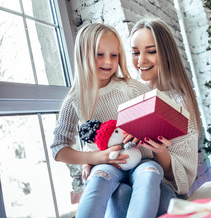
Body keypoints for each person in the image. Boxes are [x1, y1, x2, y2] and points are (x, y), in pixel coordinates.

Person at [50, 22, 166, 218]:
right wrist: (94, 158)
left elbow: (159, 122)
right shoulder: (74, 100)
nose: (109, 61)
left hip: (142, 162)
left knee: (150, 174)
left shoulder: (132, 88)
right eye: (99, 54)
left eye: (114, 55)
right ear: (83, 55)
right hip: (105, 165)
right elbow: (59, 150)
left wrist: (142, 133)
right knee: (97, 181)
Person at [108, 18, 202, 217]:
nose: (141, 61)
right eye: (135, 52)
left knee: (153, 190)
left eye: (151, 51)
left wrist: (161, 152)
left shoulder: (179, 100)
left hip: (163, 186)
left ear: (166, 53)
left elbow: (182, 180)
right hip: (127, 179)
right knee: (119, 193)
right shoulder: (128, 93)